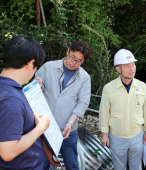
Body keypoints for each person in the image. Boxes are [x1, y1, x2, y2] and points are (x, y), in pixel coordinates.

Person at [0, 35, 59, 169]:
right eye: (36, 67)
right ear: (30, 63)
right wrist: (40, 128)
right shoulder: (11, 99)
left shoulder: (9, 90)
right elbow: (8, 152)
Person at [35, 41, 91, 170]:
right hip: (44, 128)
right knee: (41, 164)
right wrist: (38, 85)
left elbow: (83, 102)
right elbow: (36, 89)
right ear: (68, 51)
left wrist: (70, 122)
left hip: (68, 131)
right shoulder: (49, 67)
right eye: (72, 57)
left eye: (79, 61)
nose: (74, 62)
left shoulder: (84, 77)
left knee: (72, 164)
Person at [99, 49, 146, 170]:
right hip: (116, 137)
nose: (132, 69)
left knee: (136, 166)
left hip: (137, 135)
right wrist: (104, 134)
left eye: (133, 65)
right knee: (119, 167)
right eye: (127, 66)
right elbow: (104, 112)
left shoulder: (142, 86)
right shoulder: (109, 88)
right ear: (118, 69)